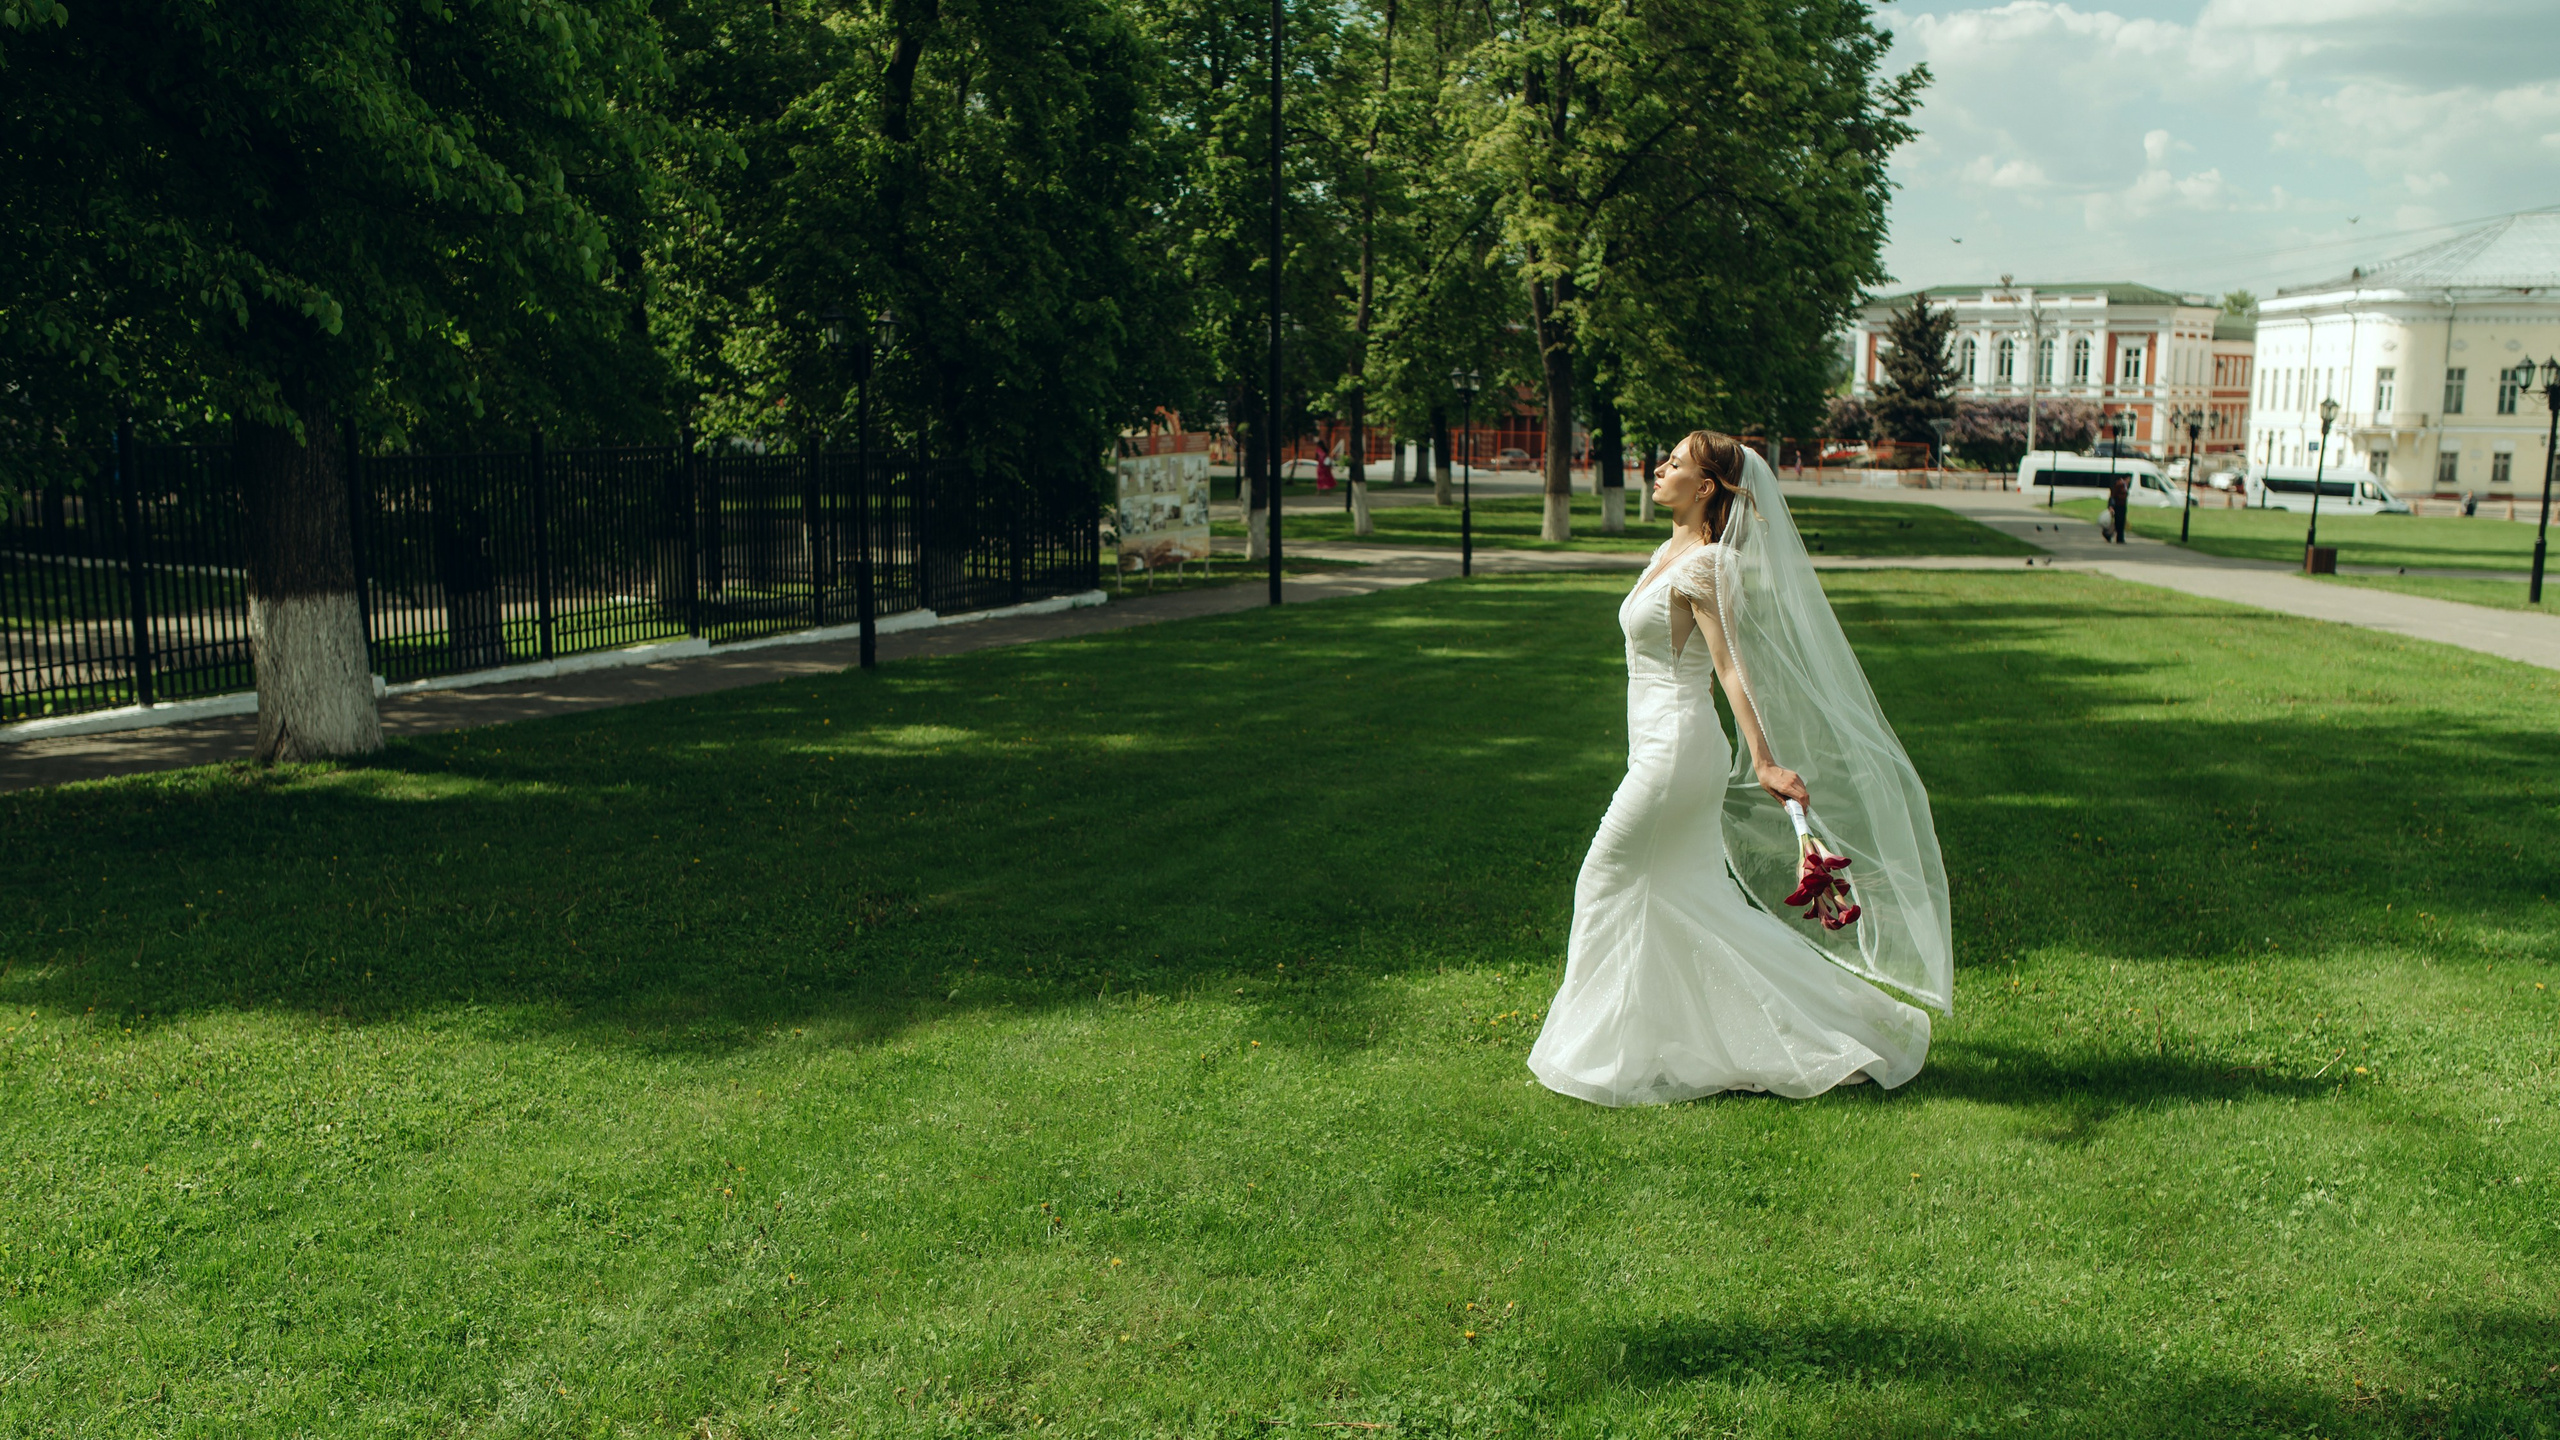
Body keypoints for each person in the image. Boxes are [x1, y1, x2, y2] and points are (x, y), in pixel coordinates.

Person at [1528, 431, 1951, 1104]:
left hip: (1675, 752)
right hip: (1656, 746)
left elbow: (1730, 668)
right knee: (1691, 901)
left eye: (1674, 464)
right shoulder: (1667, 550)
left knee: (1604, 877)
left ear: (1704, 490)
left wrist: (1763, 760)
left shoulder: (1709, 564)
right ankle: (1818, 1029)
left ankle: (1595, 1050)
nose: (1659, 469)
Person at [2106, 473, 2130, 543]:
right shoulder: (2119, 484)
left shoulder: (2125, 485)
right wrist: (2111, 506)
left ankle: (2117, 536)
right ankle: (2118, 537)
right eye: (2129, 478)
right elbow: (2114, 495)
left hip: (2122, 505)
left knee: (2121, 522)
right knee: (2119, 522)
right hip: (2118, 505)